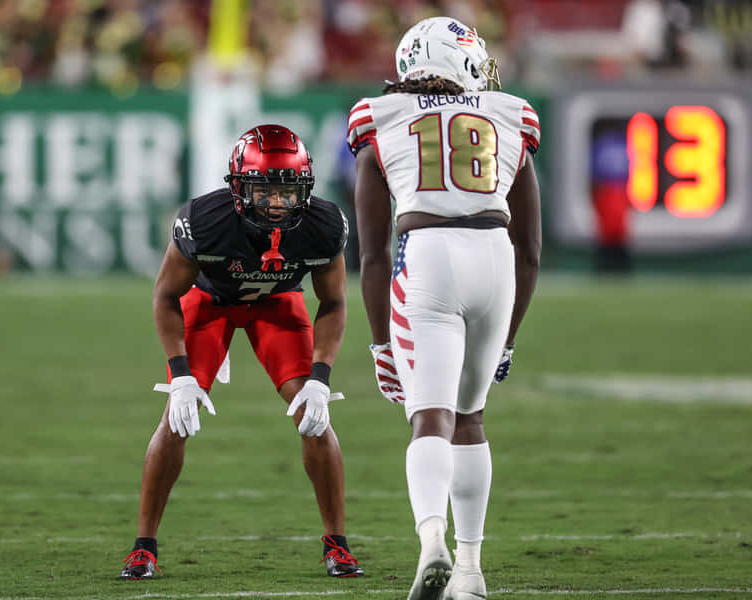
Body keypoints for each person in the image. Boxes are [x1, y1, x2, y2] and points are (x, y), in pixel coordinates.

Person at [347, 17, 541, 600]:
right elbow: (530, 250)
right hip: (496, 259)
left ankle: (433, 541)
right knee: (471, 419)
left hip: (427, 256)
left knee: (428, 417)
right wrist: (509, 336)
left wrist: (381, 343)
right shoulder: (512, 113)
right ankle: (472, 572)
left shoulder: (377, 117)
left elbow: (373, 254)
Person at [119, 124, 364, 580]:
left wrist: (320, 378)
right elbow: (165, 296)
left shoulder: (324, 225)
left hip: (277, 304)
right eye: (264, 191)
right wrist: (181, 376)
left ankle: (337, 544)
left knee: (314, 415)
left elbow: (333, 303)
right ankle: (144, 546)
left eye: (287, 193)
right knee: (175, 418)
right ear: (238, 187)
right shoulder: (205, 221)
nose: (276, 203)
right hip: (209, 304)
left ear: (305, 189)